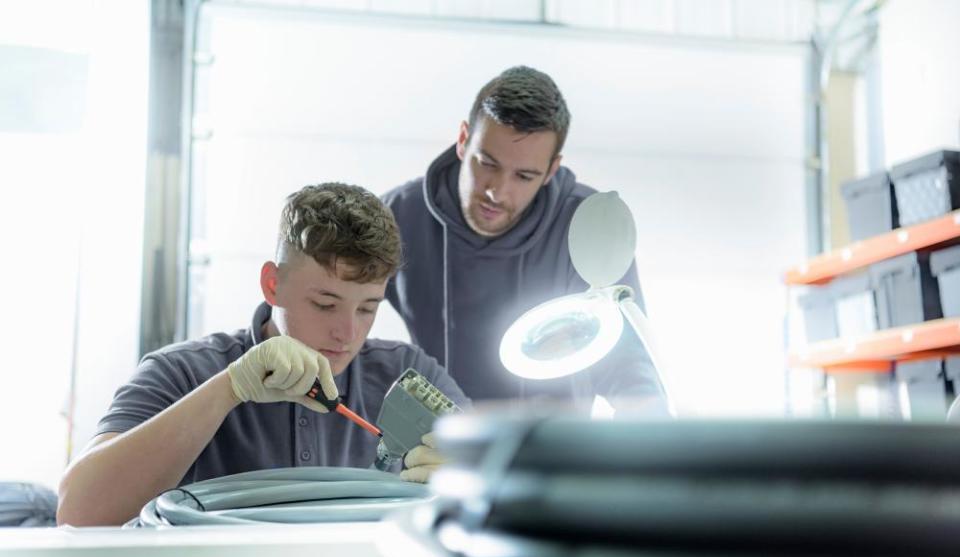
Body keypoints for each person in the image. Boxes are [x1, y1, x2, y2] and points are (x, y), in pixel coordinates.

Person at [57, 183, 469, 526]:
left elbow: (509, 488)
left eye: (368, 308)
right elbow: (79, 513)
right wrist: (228, 390)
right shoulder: (181, 372)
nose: (348, 333)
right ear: (272, 284)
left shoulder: (410, 374)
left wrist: (469, 477)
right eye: (325, 304)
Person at [382, 65, 666, 412]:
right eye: (487, 163)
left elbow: (628, 364)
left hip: (556, 454)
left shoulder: (588, 227)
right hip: (439, 448)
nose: (497, 192)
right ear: (462, 140)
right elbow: (338, 308)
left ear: (551, 170)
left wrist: (649, 432)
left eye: (524, 176)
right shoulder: (399, 215)